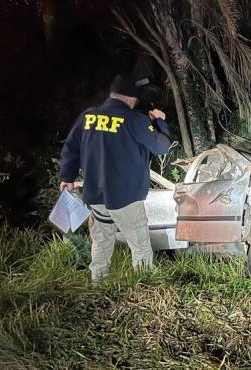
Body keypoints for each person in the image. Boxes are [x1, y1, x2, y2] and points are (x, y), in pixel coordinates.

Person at [59, 75, 171, 281]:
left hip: (96, 196)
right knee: (139, 244)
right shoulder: (134, 120)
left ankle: (98, 283)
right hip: (125, 197)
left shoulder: (88, 117)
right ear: (131, 98)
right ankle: (143, 285)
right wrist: (160, 122)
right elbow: (162, 146)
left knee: (101, 241)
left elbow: (71, 148)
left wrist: (67, 176)